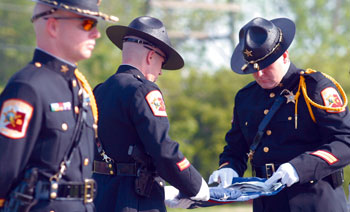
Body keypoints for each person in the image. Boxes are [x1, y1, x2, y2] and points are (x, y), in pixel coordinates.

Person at [208, 17, 350, 211]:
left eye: (266, 66)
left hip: (315, 200)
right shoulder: (245, 97)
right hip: (267, 203)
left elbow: (345, 141)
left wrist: (300, 168)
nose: (259, 74)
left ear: (284, 56)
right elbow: (235, 148)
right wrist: (228, 167)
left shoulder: (314, 88)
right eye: (253, 68)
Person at [0, 0, 118, 211]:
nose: (96, 34)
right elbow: (3, 172)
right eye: (87, 24)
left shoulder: (79, 88)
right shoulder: (27, 87)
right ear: (53, 26)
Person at [92, 16, 210, 212]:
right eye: (161, 63)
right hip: (135, 201)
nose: (161, 72)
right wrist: (194, 185)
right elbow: (163, 150)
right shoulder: (144, 91)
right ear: (150, 57)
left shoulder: (99, 91)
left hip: (100, 197)